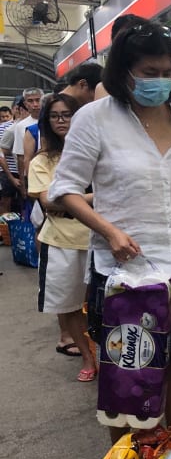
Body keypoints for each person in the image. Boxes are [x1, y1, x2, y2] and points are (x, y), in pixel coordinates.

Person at [48, 18, 171, 437]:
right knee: (127, 369)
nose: (160, 82)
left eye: (166, 73)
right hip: (124, 272)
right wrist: (109, 231)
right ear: (124, 72)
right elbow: (63, 190)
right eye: (149, 73)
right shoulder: (95, 119)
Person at [27, 93, 98, 381]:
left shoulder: (96, 152)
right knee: (68, 307)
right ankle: (88, 358)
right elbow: (49, 203)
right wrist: (98, 196)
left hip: (100, 241)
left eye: (67, 114)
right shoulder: (42, 161)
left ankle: (107, 358)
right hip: (61, 244)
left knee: (105, 307)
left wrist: (68, 198)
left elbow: (59, 200)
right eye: (55, 115)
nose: (61, 121)